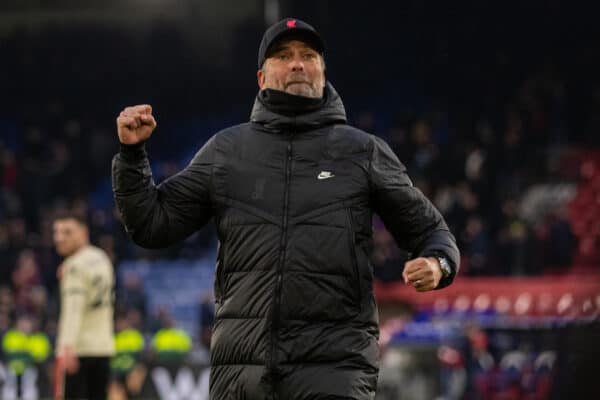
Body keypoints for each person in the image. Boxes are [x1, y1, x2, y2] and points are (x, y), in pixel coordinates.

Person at [112, 17, 459, 399]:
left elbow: (432, 234)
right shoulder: (226, 152)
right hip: (242, 373)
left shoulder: (362, 151)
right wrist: (131, 156)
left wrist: (437, 264)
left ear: (322, 72)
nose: (296, 63)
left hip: (334, 370)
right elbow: (151, 224)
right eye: (283, 55)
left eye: (308, 55)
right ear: (262, 78)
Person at [53, 213, 115, 399]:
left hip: (77, 350)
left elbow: (73, 308)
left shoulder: (73, 265)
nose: (59, 238)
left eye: (67, 232)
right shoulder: (102, 258)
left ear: (83, 232)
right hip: (103, 347)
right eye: (56, 232)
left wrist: (66, 346)